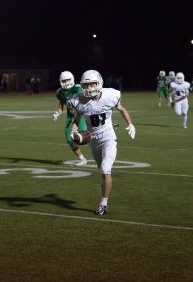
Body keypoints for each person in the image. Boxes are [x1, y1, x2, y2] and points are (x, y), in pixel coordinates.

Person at [68, 70, 135, 215]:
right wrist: (74, 132)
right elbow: (77, 119)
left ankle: (103, 204)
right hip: (93, 140)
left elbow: (122, 109)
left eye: (93, 84)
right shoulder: (78, 100)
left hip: (109, 138)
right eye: (87, 85)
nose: (90, 88)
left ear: (99, 83)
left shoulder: (111, 95)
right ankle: (105, 194)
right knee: (101, 170)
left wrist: (130, 124)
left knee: (106, 169)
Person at [53, 71, 88, 166]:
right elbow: (61, 107)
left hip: (80, 116)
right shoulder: (60, 92)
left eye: (68, 80)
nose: (66, 82)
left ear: (72, 79)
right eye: (64, 80)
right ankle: (82, 159)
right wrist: (57, 113)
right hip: (70, 118)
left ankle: (102, 133)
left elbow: (86, 97)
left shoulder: (77, 88)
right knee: (69, 139)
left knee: (85, 137)